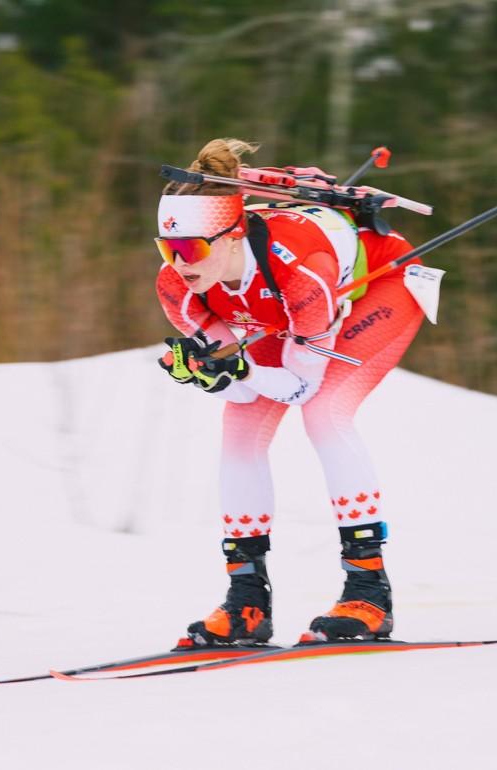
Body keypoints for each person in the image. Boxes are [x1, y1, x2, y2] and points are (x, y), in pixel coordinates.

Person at [155, 138, 425, 646]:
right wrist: (214, 374)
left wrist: (239, 372)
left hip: (381, 283)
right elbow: (240, 391)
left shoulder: (299, 273)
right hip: (279, 310)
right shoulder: (177, 286)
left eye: (191, 248)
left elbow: (301, 385)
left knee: (324, 413)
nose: (178, 262)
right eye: (166, 247)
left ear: (233, 238)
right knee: (238, 431)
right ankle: (246, 602)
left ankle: (368, 593)